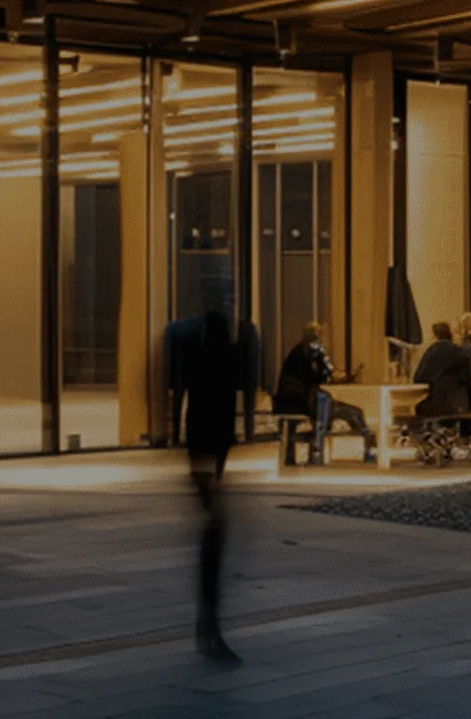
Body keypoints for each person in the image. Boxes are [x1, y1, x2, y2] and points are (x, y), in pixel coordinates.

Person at [164, 281, 257, 664]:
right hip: (209, 442)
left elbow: (182, 393)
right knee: (213, 529)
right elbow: (242, 392)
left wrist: (172, 431)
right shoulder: (221, 345)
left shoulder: (202, 343)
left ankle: (209, 619)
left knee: (214, 526)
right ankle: (209, 620)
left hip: (210, 442)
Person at [271, 322, 372, 461]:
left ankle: (315, 447)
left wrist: (322, 362)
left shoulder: (299, 353)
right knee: (352, 412)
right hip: (303, 402)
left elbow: (318, 377)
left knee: (331, 406)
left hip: (297, 401)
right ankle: (320, 446)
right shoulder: (304, 356)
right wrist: (323, 361)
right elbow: (318, 377)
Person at [414, 322, 471, 429]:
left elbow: (418, 379)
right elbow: (470, 378)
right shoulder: (461, 352)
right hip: (461, 406)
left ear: (435, 336)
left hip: (436, 406)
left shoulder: (431, 352)